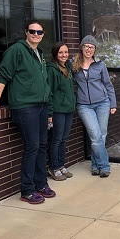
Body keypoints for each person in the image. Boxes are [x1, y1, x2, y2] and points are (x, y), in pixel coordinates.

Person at [0, 21, 55, 204]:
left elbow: (45, 84)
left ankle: (41, 184)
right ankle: (27, 190)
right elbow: (4, 74)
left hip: (41, 107)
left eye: (39, 32)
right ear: (26, 32)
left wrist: (49, 109)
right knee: (32, 146)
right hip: (25, 107)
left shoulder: (40, 53)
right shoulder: (17, 50)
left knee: (42, 145)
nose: (35, 34)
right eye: (32, 31)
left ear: (42, 35)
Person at [72, 35, 116, 177]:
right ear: (82, 47)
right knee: (95, 136)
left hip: (103, 103)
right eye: (86, 46)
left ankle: (95, 165)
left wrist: (113, 103)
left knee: (101, 136)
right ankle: (104, 166)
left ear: (95, 49)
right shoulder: (73, 64)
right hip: (84, 106)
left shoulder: (100, 64)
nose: (89, 49)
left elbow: (108, 85)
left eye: (91, 47)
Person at [47, 42, 76, 181]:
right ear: (55, 54)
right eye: (60, 53)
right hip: (58, 110)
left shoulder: (68, 68)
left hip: (68, 109)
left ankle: (61, 164)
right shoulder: (51, 69)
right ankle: (54, 167)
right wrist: (50, 113)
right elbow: (49, 92)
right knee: (56, 139)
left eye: (66, 52)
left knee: (64, 139)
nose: (64, 55)